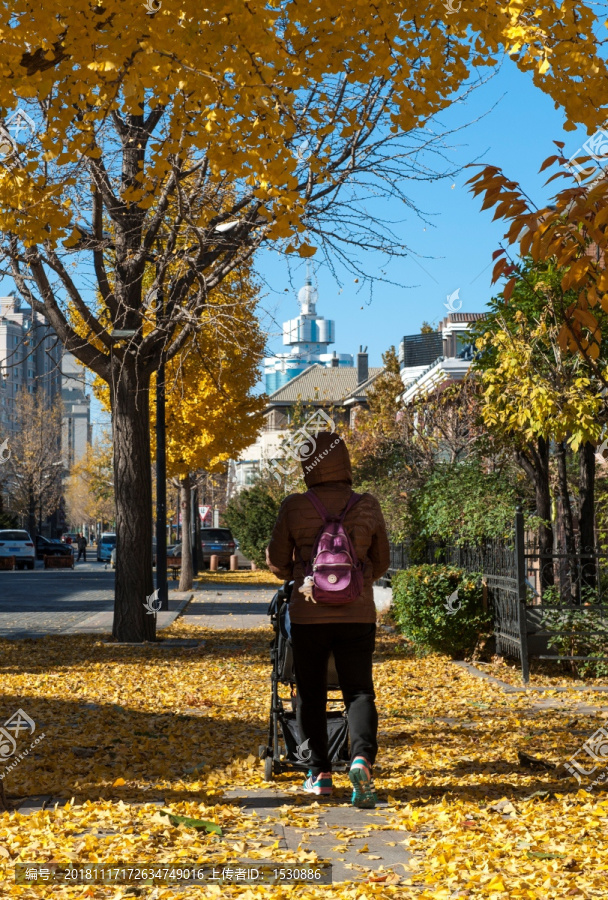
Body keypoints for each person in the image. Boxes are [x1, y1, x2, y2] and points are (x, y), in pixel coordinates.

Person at [266, 431, 390, 808]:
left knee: (311, 693)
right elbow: (382, 561)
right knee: (359, 690)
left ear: (308, 465)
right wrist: (358, 580)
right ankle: (360, 760)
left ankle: (318, 773)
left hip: (308, 616)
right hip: (357, 615)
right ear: (346, 463)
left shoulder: (295, 506)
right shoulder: (367, 505)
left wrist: (305, 573)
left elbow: (276, 562)